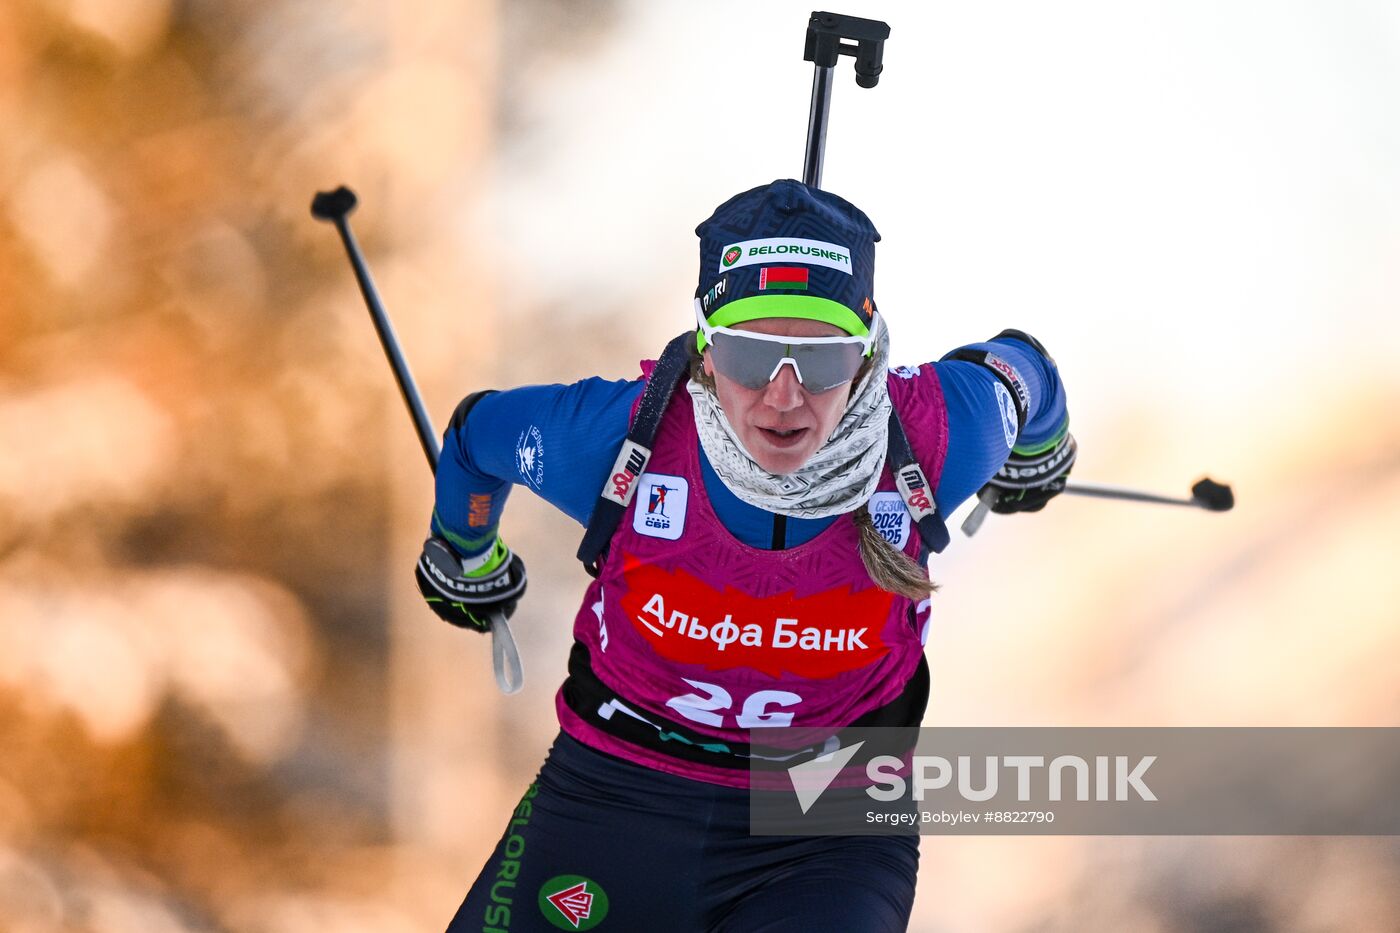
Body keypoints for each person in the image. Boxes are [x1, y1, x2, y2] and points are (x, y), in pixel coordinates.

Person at [417, 180, 1074, 932]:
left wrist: (1040, 447)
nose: (784, 396)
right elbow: (476, 437)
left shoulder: (935, 433)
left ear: (866, 355)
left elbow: (1026, 370)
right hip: (613, 794)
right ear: (704, 347)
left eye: (822, 360)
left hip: (826, 816)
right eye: (750, 353)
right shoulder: (616, 439)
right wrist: (464, 553)